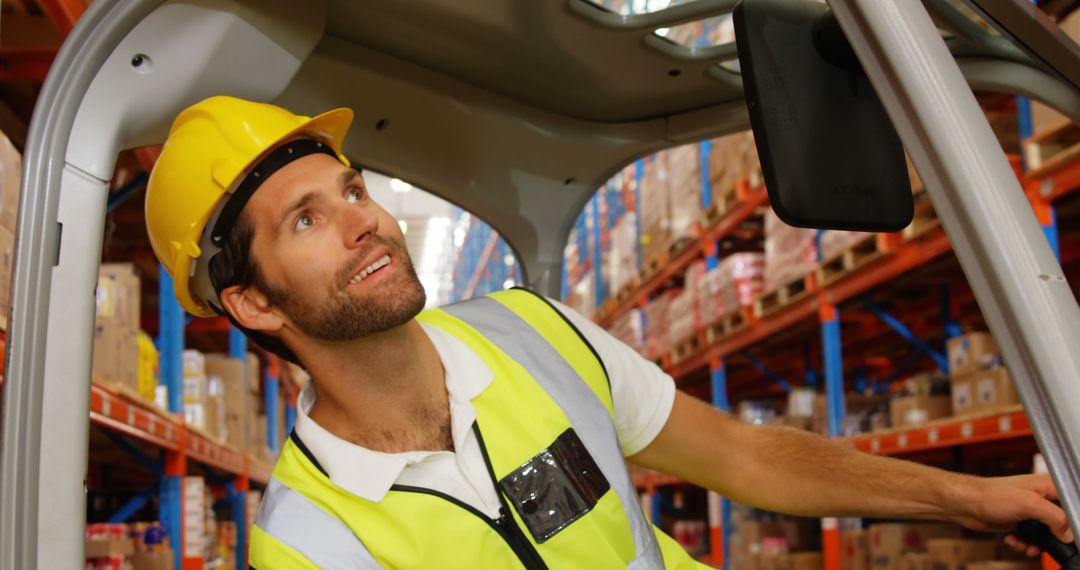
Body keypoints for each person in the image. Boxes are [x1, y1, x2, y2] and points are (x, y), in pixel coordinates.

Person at [145, 96, 1073, 569]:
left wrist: (969, 502)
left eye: (351, 189)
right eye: (305, 220)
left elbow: (749, 459)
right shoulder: (306, 541)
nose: (365, 219)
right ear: (255, 307)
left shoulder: (530, 331)